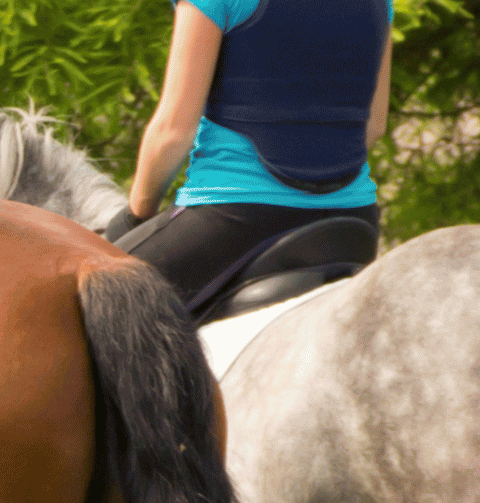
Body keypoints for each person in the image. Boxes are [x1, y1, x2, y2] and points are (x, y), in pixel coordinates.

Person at [113, 0, 393, 314]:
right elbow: (374, 125)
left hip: (236, 219)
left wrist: (135, 215)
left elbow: (172, 133)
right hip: (353, 221)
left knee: (86, 299)